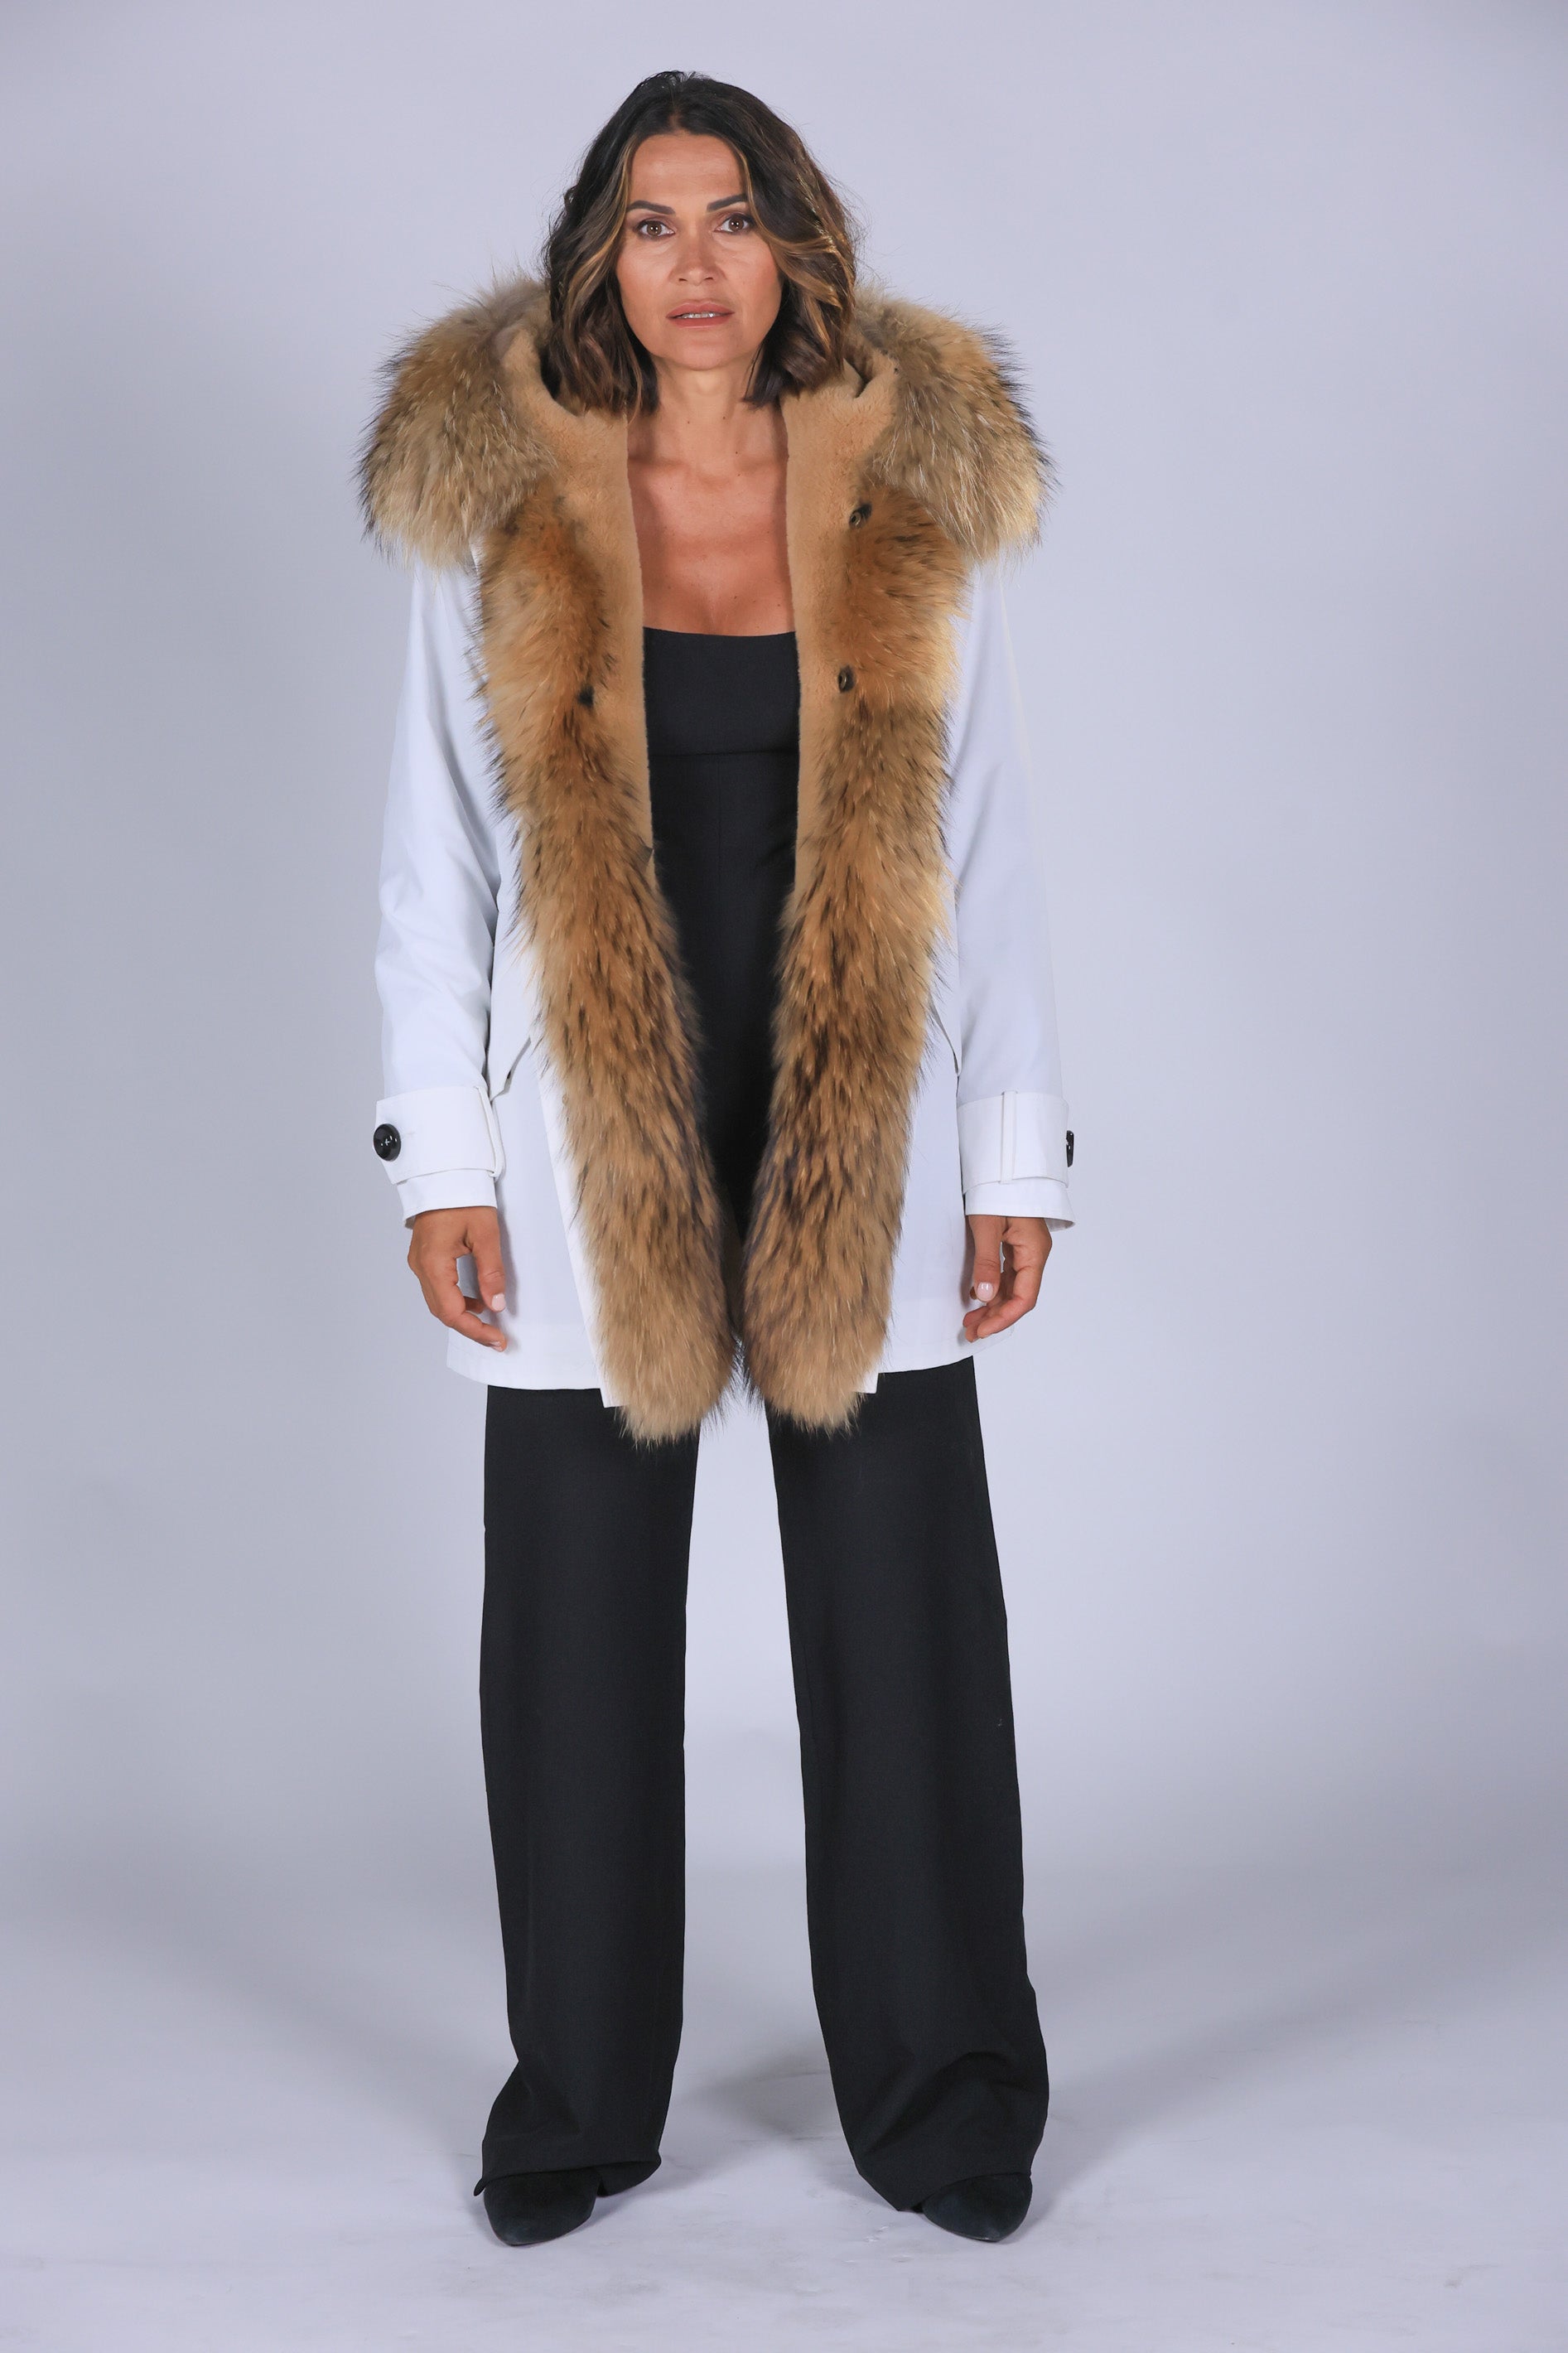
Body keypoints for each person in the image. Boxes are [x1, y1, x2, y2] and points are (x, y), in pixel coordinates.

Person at [360, 70, 1076, 2248]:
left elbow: (984, 847)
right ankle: (578, 2101)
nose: (695, 263)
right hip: (592, 1134)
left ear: (797, 247)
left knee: (908, 1626)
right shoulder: (504, 504)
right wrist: (442, 1163)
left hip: (863, 1112)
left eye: (735, 217)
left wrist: (1015, 1153)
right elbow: (433, 859)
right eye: (655, 222)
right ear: (601, 251)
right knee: (574, 1634)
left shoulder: (905, 496)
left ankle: (947, 2100)